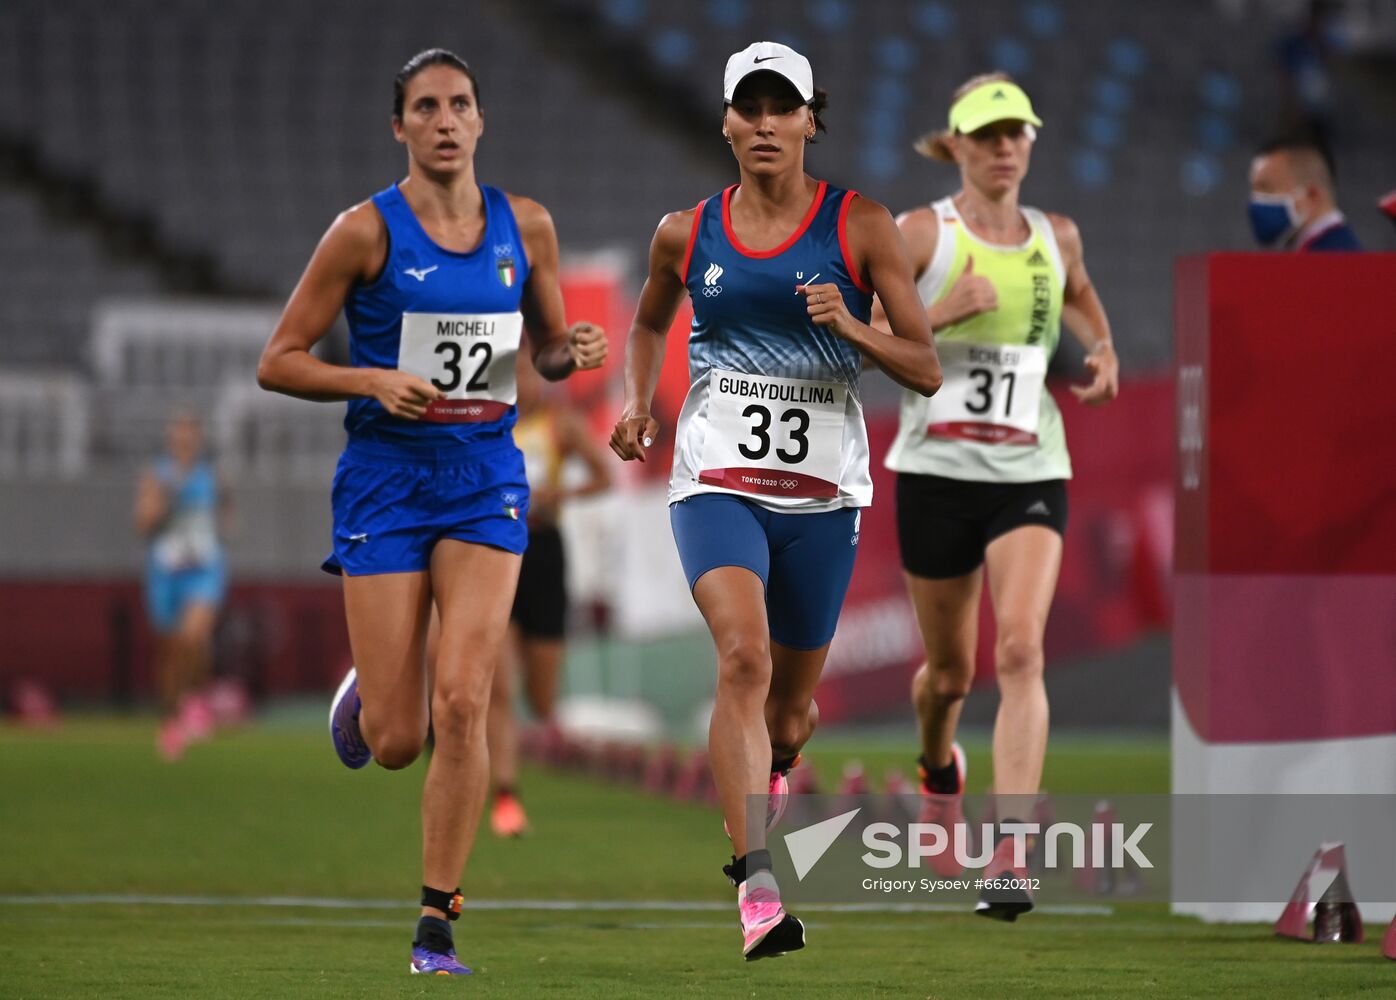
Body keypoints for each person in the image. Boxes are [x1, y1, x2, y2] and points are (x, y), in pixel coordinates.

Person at [256, 48, 606, 976]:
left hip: (486, 475)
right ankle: (369, 695)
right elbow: (279, 359)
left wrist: (572, 349)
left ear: (481, 121)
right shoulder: (362, 233)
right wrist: (369, 376)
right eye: (425, 107)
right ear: (399, 126)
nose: (445, 121)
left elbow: (549, 352)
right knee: (400, 739)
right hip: (386, 477)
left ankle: (436, 922)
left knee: (466, 699)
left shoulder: (525, 225)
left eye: (459, 105)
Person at [610, 41, 940, 961]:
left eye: (780, 107)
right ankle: (759, 888)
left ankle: (780, 764)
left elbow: (927, 367)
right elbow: (646, 320)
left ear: (808, 121)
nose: (762, 123)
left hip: (823, 499)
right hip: (716, 484)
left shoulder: (861, 225)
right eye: (746, 108)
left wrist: (856, 326)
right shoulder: (687, 230)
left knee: (788, 714)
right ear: (725, 121)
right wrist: (640, 402)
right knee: (742, 659)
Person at [875, 73, 1118, 920]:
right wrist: (938, 313)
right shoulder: (918, 233)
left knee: (1020, 651)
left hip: (1030, 470)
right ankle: (939, 772)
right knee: (950, 673)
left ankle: (1010, 854)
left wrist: (1104, 347)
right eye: (987, 135)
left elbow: (1080, 291)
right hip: (937, 474)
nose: (1005, 147)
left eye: (1017, 133)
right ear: (955, 147)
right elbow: (864, 332)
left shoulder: (1058, 235)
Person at [486, 352, 612, 837]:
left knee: (541, 699)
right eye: (513, 376)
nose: (521, 384)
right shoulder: (489, 425)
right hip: (496, 551)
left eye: (528, 374)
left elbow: (603, 476)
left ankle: (514, 754)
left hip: (544, 552)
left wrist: (561, 497)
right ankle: (505, 793)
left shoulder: (563, 426)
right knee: (500, 685)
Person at [133, 410, 230, 761]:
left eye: (192, 432)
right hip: (166, 571)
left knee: (195, 636)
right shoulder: (156, 475)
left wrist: (219, 531)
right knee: (171, 653)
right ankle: (171, 720)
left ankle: (195, 701)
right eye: (180, 432)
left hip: (204, 567)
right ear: (171, 437)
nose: (186, 439)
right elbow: (143, 524)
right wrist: (163, 498)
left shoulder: (213, 475)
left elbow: (227, 515)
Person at [1248, 136, 1362, 251]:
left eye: (1267, 189)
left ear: (1312, 196)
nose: (1255, 201)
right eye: (1255, 191)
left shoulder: (1334, 258)